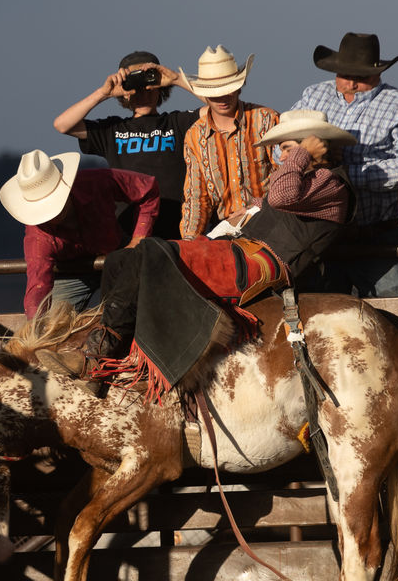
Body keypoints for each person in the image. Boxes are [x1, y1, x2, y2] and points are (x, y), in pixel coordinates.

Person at [87, 109, 354, 396]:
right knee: (120, 259)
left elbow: (281, 196)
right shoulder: (310, 181)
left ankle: (105, 347)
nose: (284, 157)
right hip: (238, 250)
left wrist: (301, 154)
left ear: (315, 147)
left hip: (261, 264)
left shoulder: (332, 183)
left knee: (151, 251)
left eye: (290, 149)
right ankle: (110, 351)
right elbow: (277, 198)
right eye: (284, 150)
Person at [291, 32, 398, 298]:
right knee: (323, 316)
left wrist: (346, 176)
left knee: (392, 312)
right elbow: (281, 142)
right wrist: (306, 157)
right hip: (322, 234)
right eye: (344, 74)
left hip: (376, 233)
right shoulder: (314, 95)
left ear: (377, 74)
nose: (350, 82)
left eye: (360, 77)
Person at [52, 51, 197, 240]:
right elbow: (62, 124)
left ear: (159, 86)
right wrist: (104, 93)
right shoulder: (111, 129)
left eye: (148, 83)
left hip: (175, 231)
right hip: (128, 234)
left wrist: (177, 79)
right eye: (134, 84)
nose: (142, 91)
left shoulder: (177, 122)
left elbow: (221, 106)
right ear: (125, 92)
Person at [1, 149, 159, 317]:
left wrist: (138, 239)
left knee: (144, 311)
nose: (52, 215)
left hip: (118, 255)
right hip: (72, 272)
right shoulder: (38, 237)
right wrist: (36, 328)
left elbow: (148, 189)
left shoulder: (96, 182)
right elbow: (38, 285)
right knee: (53, 325)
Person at [179, 46, 279, 240]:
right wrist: (189, 243)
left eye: (228, 90)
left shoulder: (266, 120)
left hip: (270, 221)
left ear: (239, 87)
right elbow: (197, 198)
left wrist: (257, 205)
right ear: (204, 93)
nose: (223, 98)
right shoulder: (194, 136)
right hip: (227, 228)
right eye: (215, 93)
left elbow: (286, 176)